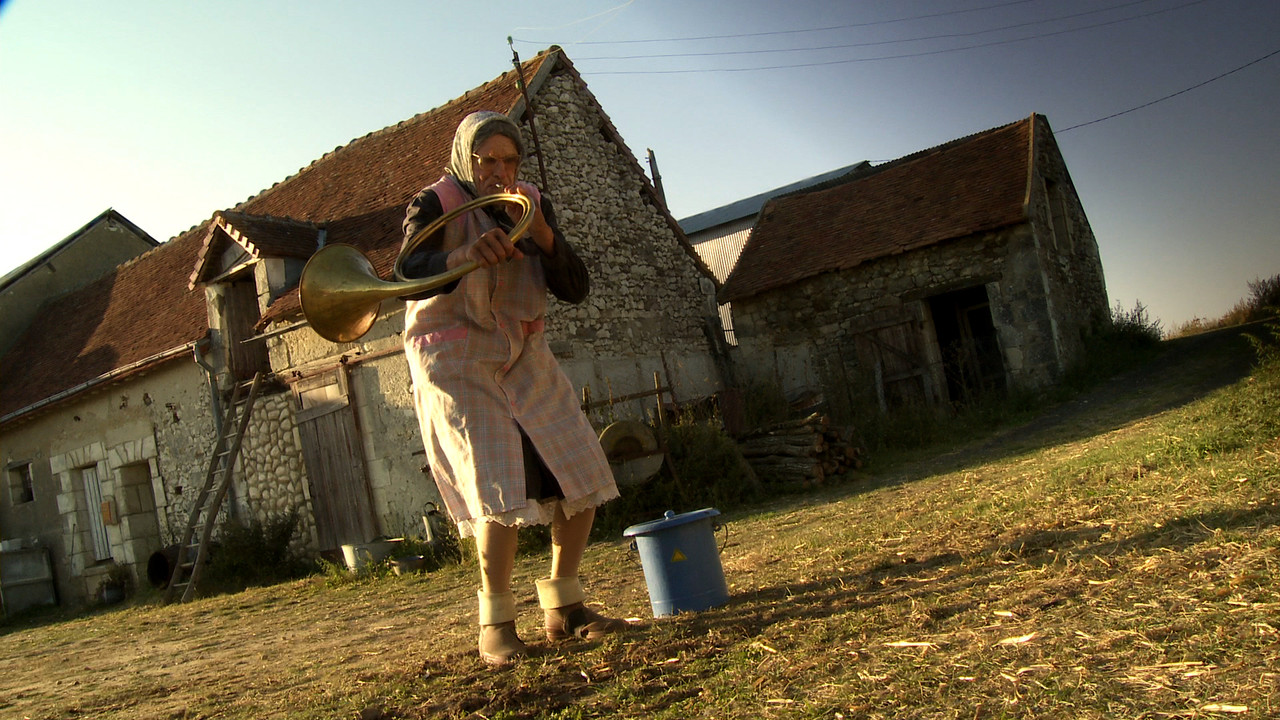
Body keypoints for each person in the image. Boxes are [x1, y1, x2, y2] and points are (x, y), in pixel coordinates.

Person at [399, 110, 629, 667]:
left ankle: (565, 607)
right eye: (487, 162)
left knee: (580, 470)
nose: (500, 172)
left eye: (510, 161)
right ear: (465, 160)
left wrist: (544, 235)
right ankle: (496, 624)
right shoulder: (433, 203)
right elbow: (407, 269)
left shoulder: (531, 201)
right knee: (497, 487)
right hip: (456, 355)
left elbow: (575, 286)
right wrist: (460, 255)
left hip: (523, 351)